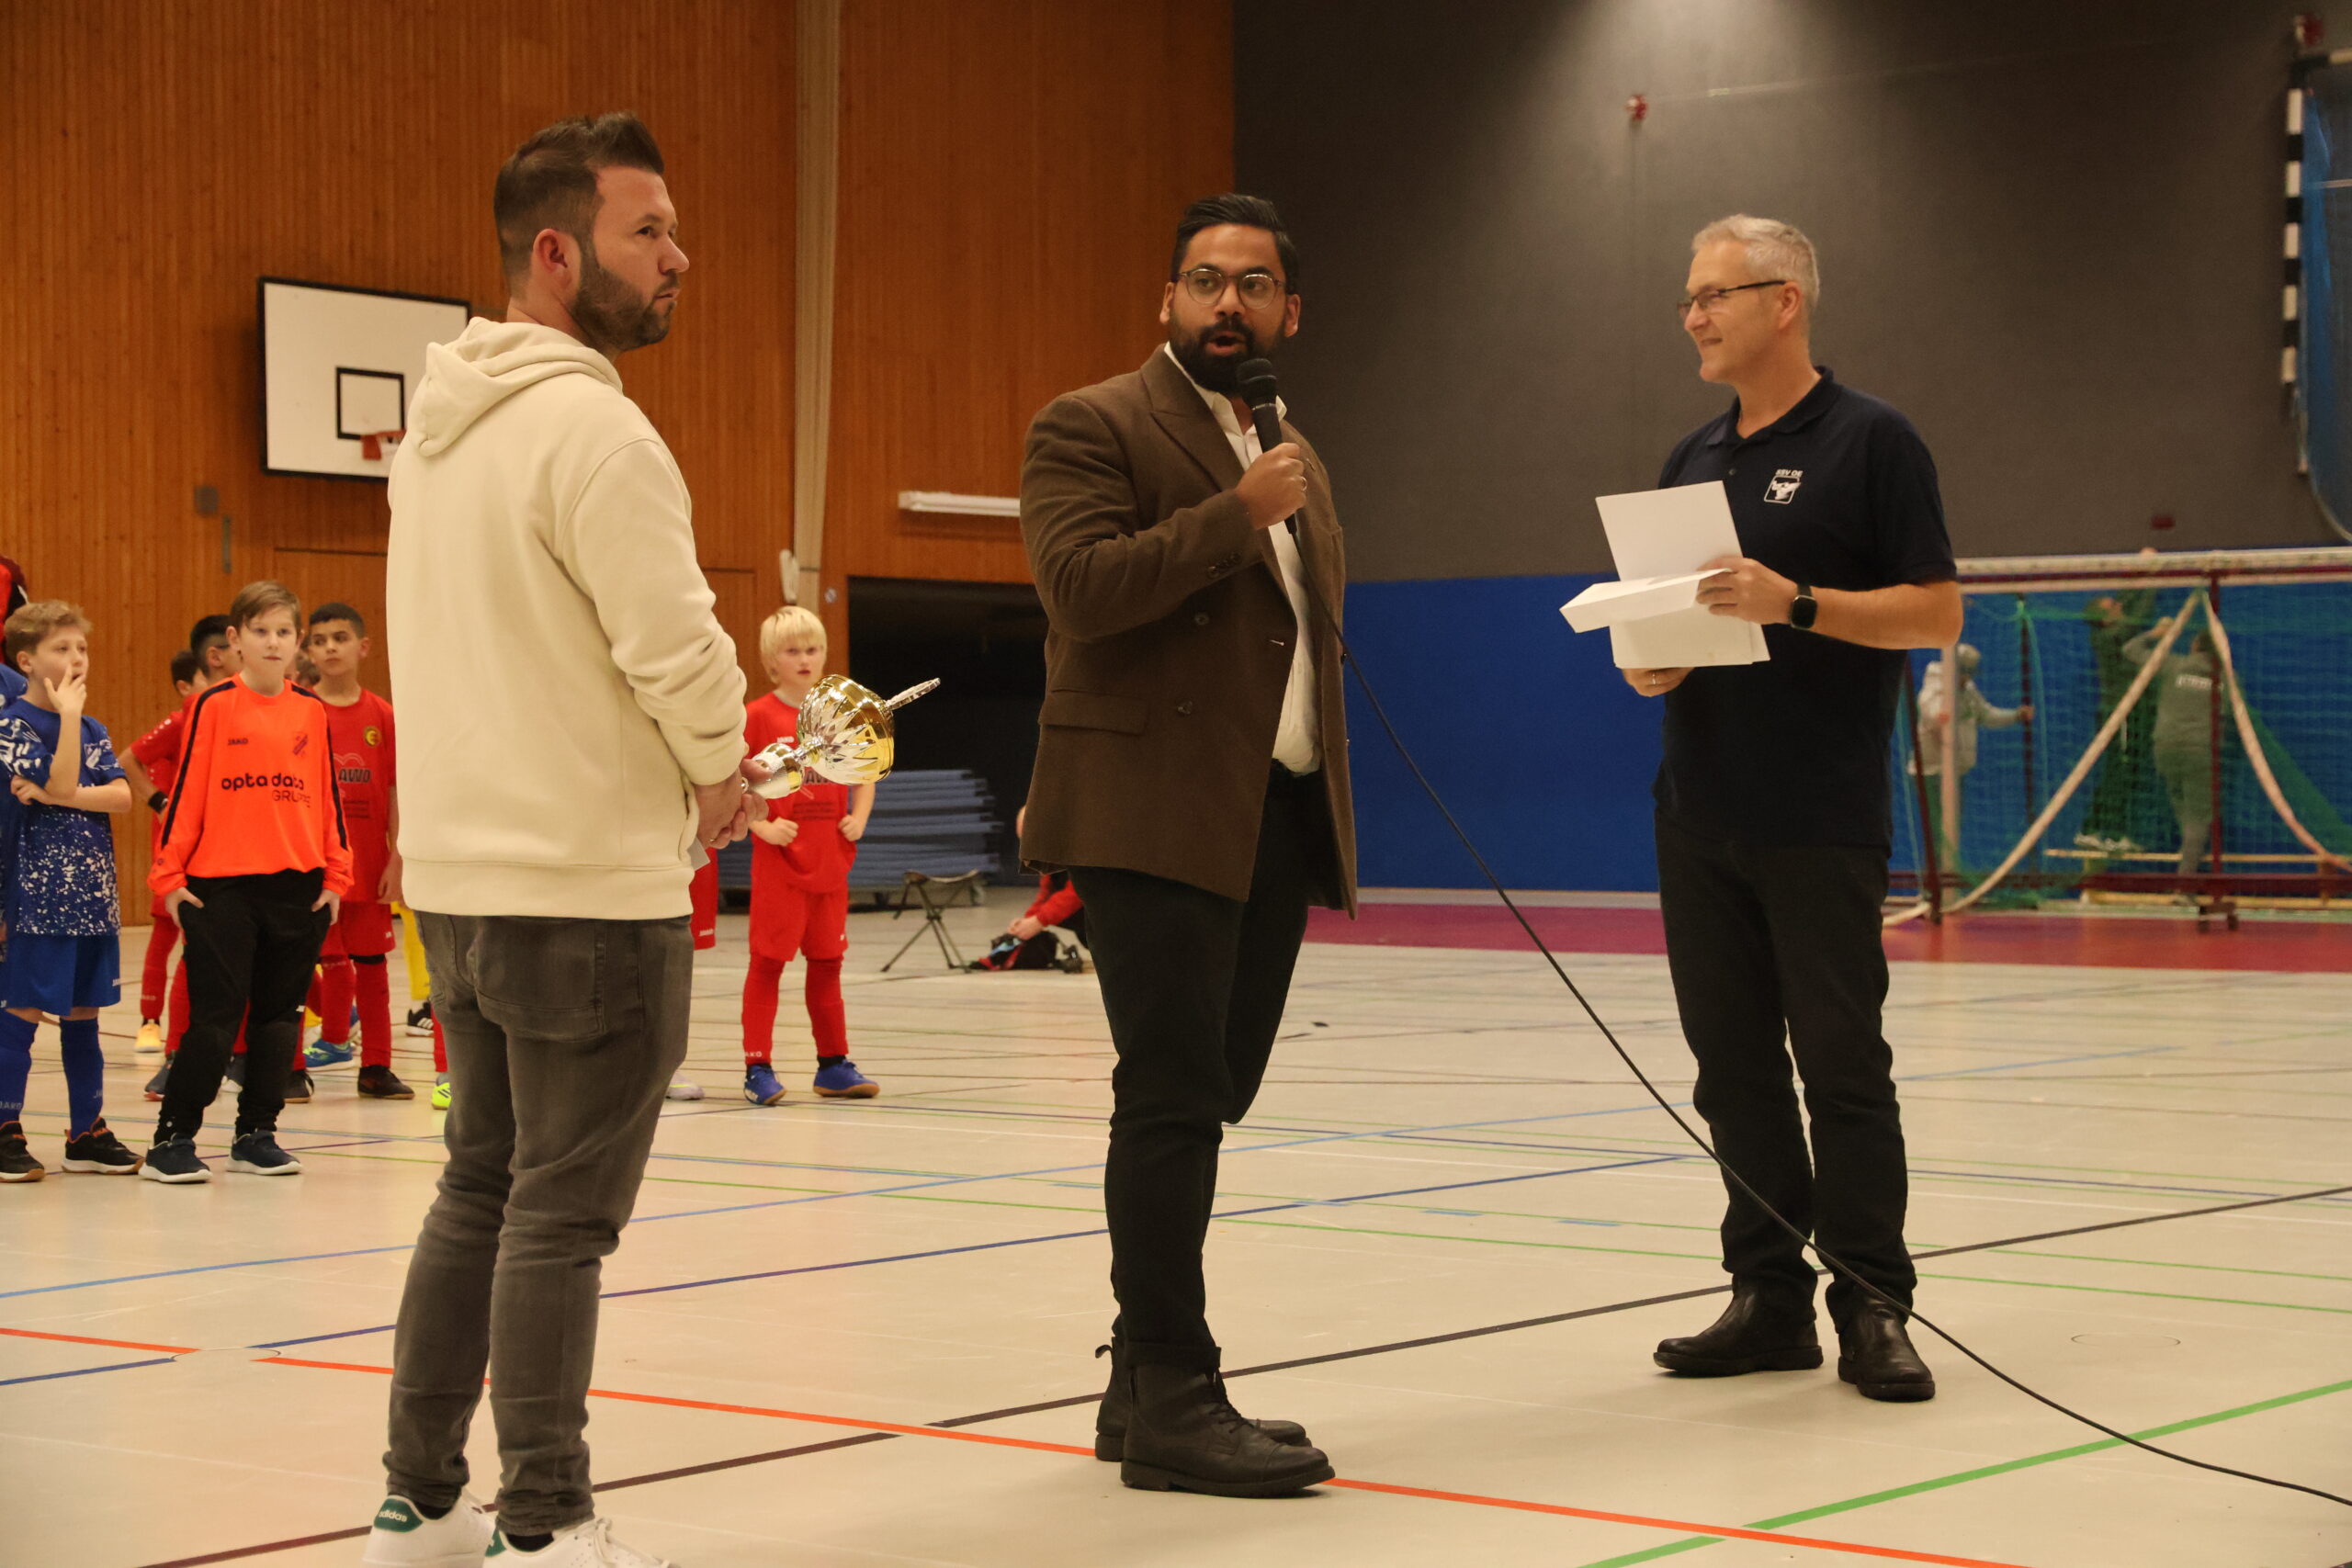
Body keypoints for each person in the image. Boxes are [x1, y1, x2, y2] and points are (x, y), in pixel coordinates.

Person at [371, 112, 758, 1568]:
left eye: (674, 231)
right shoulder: (596, 429)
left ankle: (417, 1501)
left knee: (479, 1185)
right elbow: (675, 646)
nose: (678, 257)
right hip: (586, 892)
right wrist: (719, 768)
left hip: (464, 888)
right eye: (647, 231)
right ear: (555, 251)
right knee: (558, 1216)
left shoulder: (435, 436)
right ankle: (543, 1521)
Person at [1020, 192, 1355, 1497]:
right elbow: (1079, 589)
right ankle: (1172, 1385)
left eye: (1253, 284)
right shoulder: (1094, 420)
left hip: (1267, 813)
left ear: (1290, 311)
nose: (1228, 303)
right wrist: (1235, 509)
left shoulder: (1292, 449)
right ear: (1166, 298)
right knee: (1168, 1095)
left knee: (1209, 1091)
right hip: (1149, 810)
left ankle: (1132, 1389)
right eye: (1206, 281)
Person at [1625, 216, 1961, 1404]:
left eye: (1715, 294)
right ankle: (1766, 1296)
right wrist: (1650, 658)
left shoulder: (1873, 441)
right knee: (1732, 1071)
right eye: (1687, 296)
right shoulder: (1688, 458)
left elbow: (1935, 613)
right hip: (1697, 807)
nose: (1694, 315)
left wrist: (1798, 603)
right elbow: (1668, 624)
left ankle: (1871, 1299)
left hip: (1819, 812)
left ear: (1785, 302)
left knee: (1840, 1064)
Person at [143, 580, 351, 1183]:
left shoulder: (310, 710)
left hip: (298, 888)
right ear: (236, 639)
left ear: (297, 641)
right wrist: (169, 878)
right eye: (261, 631)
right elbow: (186, 795)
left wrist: (335, 877)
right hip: (222, 887)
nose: (273, 642)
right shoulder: (212, 706)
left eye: (283, 632)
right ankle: (172, 1140)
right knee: (214, 1019)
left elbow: (327, 800)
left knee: (280, 1020)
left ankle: (256, 1133)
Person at [0, 603, 141, 1181]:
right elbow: (61, 776)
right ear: (26, 661)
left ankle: (87, 1131)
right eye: (61, 649)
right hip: (36, 895)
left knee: (85, 1013)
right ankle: (5, 1129)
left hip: (92, 896)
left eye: (81, 648)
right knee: (23, 1009)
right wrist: (68, 720)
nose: (76, 659)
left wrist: (64, 794)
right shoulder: (12, 724)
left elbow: (122, 798)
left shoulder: (94, 728)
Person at [739, 605, 876, 1106]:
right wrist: (762, 825)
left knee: (828, 963)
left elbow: (865, 771)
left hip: (831, 862)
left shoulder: (838, 715)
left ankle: (834, 1064)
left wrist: (859, 817)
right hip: (779, 865)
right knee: (768, 964)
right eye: (792, 650)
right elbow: (730, 782)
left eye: (813, 649)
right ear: (770, 661)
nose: (804, 658)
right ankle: (757, 1068)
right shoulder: (756, 715)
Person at [300, 604, 413, 1099]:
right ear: (308, 650)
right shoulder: (300, 710)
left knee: (372, 968)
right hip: (312, 866)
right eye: (320, 640)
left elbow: (394, 789)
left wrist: (396, 856)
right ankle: (289, 1067)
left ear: (363, 647)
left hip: (367, 864)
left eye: (340, 638)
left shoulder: (382, 715)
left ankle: (376, 1067)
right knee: (300, 965)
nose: (330, 648)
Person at [121, 647, 203, 1056]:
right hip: (173, 854)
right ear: (185, 687)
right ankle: (150, 1022)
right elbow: (128, 759)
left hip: (208, 856)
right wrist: (159, 801)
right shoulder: (180, 722)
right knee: (164, 937)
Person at [2124, 616, 2234, 880]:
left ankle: (2189, 854)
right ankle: (2185, 882)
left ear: (2195, 645)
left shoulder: (2173, 664)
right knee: (2199, 817)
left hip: (2165, 747)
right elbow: (2229, 717)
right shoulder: (2227, 680)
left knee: (2182, 805)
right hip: (2201, 751)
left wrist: (2157, 633)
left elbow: (2129, 650)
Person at [1911, 643, 2029, 869]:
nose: (1967, 678)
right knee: (1937, 834)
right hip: (1932, 773)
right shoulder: (1935, 687)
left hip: (1956, 771)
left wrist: (2015, 716)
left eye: (1970, 674)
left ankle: (1946, 878)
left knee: (1951, 831)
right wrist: (1941, 716)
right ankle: (1934, 881)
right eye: (1964, 673)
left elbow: (1986, 714)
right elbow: (1930, 712)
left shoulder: (1968, 690)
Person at [974, 807, 1085, 971]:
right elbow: (1046, 895)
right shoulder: (1050, 854)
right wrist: (1025, 925)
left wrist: (1038, 921)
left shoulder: (1079, 848)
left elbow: (1077, 892)